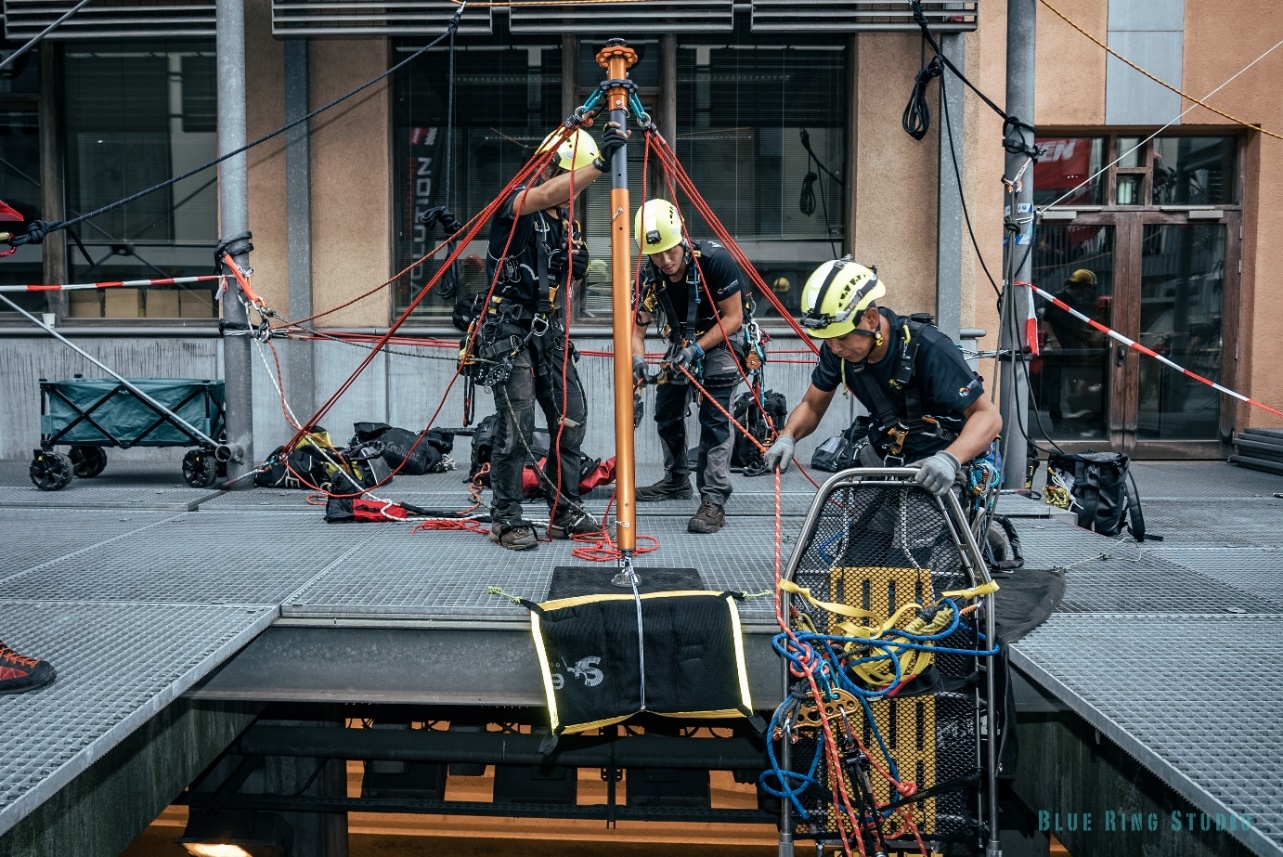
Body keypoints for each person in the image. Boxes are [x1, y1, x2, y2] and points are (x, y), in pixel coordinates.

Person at [478, 122, 628, 550]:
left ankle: (563, 510)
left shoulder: (566, 223)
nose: (573, 192)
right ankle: (505, 518)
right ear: (550, 169)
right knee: (517, 429)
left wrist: (574, 269)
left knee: (571, 419)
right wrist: (600, 164)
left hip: (549, 332)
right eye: (571, 178)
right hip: (510, 330)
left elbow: (559, 285)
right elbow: (544, 196)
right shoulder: (518, 205)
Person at [761, 257, 1002, 497]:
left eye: (843, 337)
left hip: (937, 465)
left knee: (914, 534)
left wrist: (950, 459)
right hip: (883, 457)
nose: (834, 348)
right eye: (827, 339)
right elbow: (812, 405)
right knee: (860, 535)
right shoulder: (838, 350)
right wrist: (788, 436)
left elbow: (988, 416)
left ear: (871, 318)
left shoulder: (929, 348)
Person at [630, 199, 747, 534]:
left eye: (670, 251)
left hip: (721, 338)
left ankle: (713, 500)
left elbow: (734, 317)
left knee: (715, 418)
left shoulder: (714, 260)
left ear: (681, 238)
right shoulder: (648, 275)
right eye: (657, 254)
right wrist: (637, 360)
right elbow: (635, 331)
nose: (666, 261)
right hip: (683, 342)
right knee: (666, 409)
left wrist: (697, 348)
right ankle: (677, 480)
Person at [1039, 268, 1108, 427]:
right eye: (1087, 288)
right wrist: (1054, 340)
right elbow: (1047, 320)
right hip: (1058, 350)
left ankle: (1075, 417)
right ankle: (1056, 419)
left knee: (1075, 382)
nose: (1088, 292)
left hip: (1076, 349)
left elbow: (1081, 324)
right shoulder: (1058, 298)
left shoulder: (1083, 301)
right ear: (1081, 286)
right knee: (1055, 387)